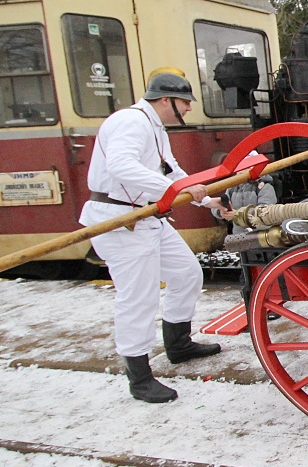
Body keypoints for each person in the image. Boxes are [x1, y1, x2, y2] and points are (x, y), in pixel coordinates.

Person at [80, 69, 227, 403]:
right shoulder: (130, 122)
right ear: (165, 100)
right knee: (138, 297)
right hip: (120, 220)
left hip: (148, 217)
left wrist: (206, 199)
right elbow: (121, 166)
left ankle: (178, 345)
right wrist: (173, 189)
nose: (189, 109)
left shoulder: (155, 127)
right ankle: (140, 377)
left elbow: (171, 170)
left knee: (187, 274)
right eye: (185, 102)